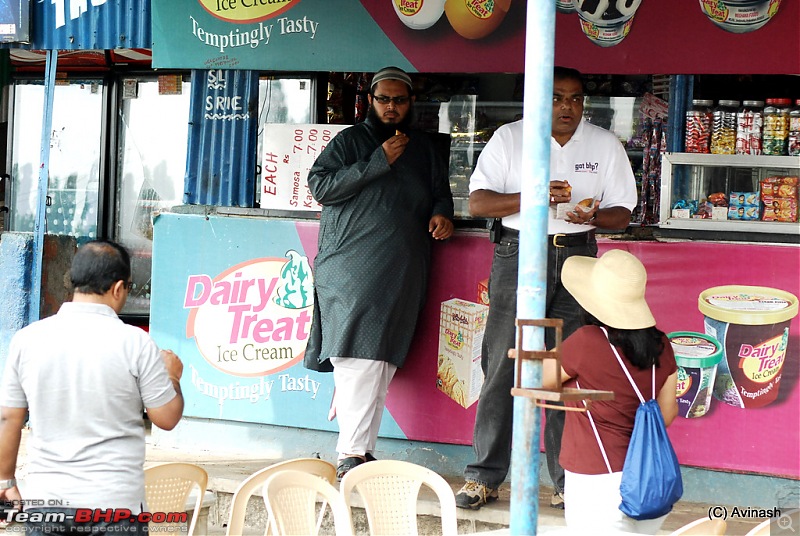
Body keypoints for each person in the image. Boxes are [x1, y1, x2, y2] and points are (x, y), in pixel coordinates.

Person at [457, 66, 638, 510]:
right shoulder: (511, 138)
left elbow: (623, 213)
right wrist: (537, 195)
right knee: (503, 360)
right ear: (540, 101)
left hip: (578, 257)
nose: (567, 107)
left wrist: (591, 216)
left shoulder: (603, 143)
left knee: (569, 366)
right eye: (557, 98)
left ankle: (567, 480)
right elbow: (478, 202)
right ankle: (484, 476)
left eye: (576, 99)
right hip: (519, 253)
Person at [304, 66, 454, 480]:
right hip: (352, 264)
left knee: (381, 359)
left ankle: (361, 451)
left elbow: (440, 192)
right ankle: (349, 453)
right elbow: (321, 187)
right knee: (357, 355)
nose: (391, 107)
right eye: (383, 99)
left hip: (404, 265)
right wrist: (378, 161)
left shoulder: (424, 147)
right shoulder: (351, 141)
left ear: (410, 103)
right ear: (370, 100)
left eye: (399, 100)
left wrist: (443, 214)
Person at [0, 239, 184, 534]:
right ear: (118, 288)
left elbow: (8, 417)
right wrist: (171, 375)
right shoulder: (135, 342)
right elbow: (166, 417)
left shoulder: (27, 339)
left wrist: (5, 481)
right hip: (115, 506)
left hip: (48, 502)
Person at [543, 249, 678, 534]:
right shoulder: (662, 344)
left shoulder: (587, 341)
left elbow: (536, 378)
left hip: (597, 484)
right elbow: (666, 413)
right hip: (650, 482)